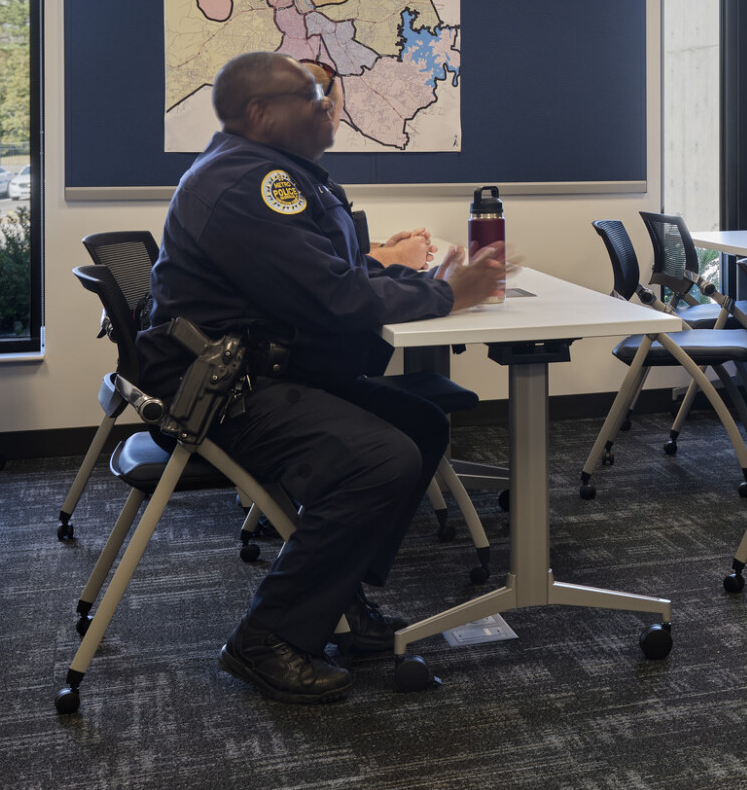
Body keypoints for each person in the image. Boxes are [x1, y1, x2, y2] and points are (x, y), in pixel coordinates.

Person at [136, 50, 507, 704]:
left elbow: (348, 271)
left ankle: (338, 599)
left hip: (265, 372)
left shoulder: (283, 175)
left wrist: (433, 283)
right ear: (261, 113)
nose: (327, 105)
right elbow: (334, 296)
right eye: (310, 94)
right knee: (381, 457)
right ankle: (266, 636)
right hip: (226, 395)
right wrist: (449, 297)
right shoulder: (247, 186)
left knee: (419, 423)